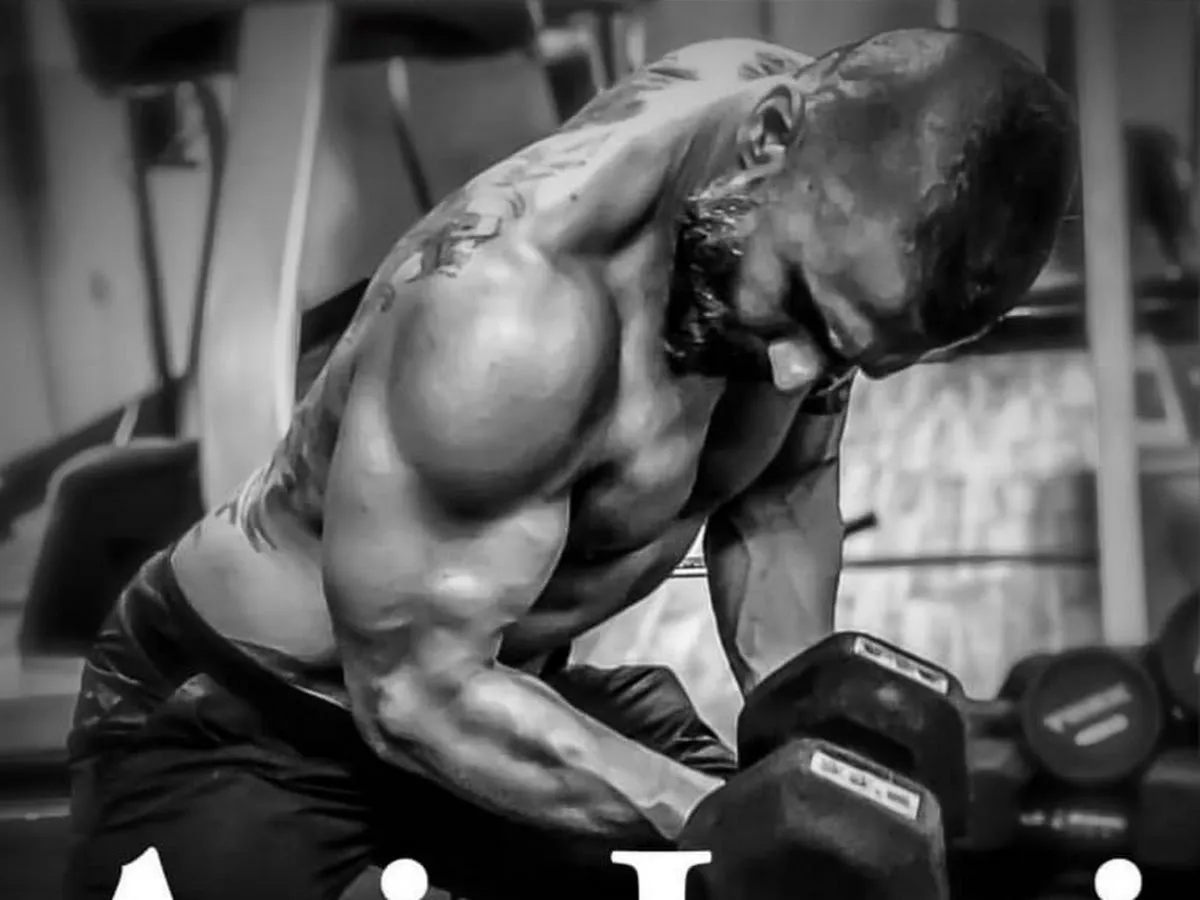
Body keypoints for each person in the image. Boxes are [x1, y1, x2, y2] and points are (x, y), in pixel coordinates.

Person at [65, 28, 1077, 900]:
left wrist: (805, 745)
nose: (800, 372)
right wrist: (716, 819)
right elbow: (415, 696)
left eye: (851, 355)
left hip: (494, 692)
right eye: (806, 311)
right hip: (250, 720)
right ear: (768, 138)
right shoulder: (505, 328)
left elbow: (785, 488)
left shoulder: (816, 194)